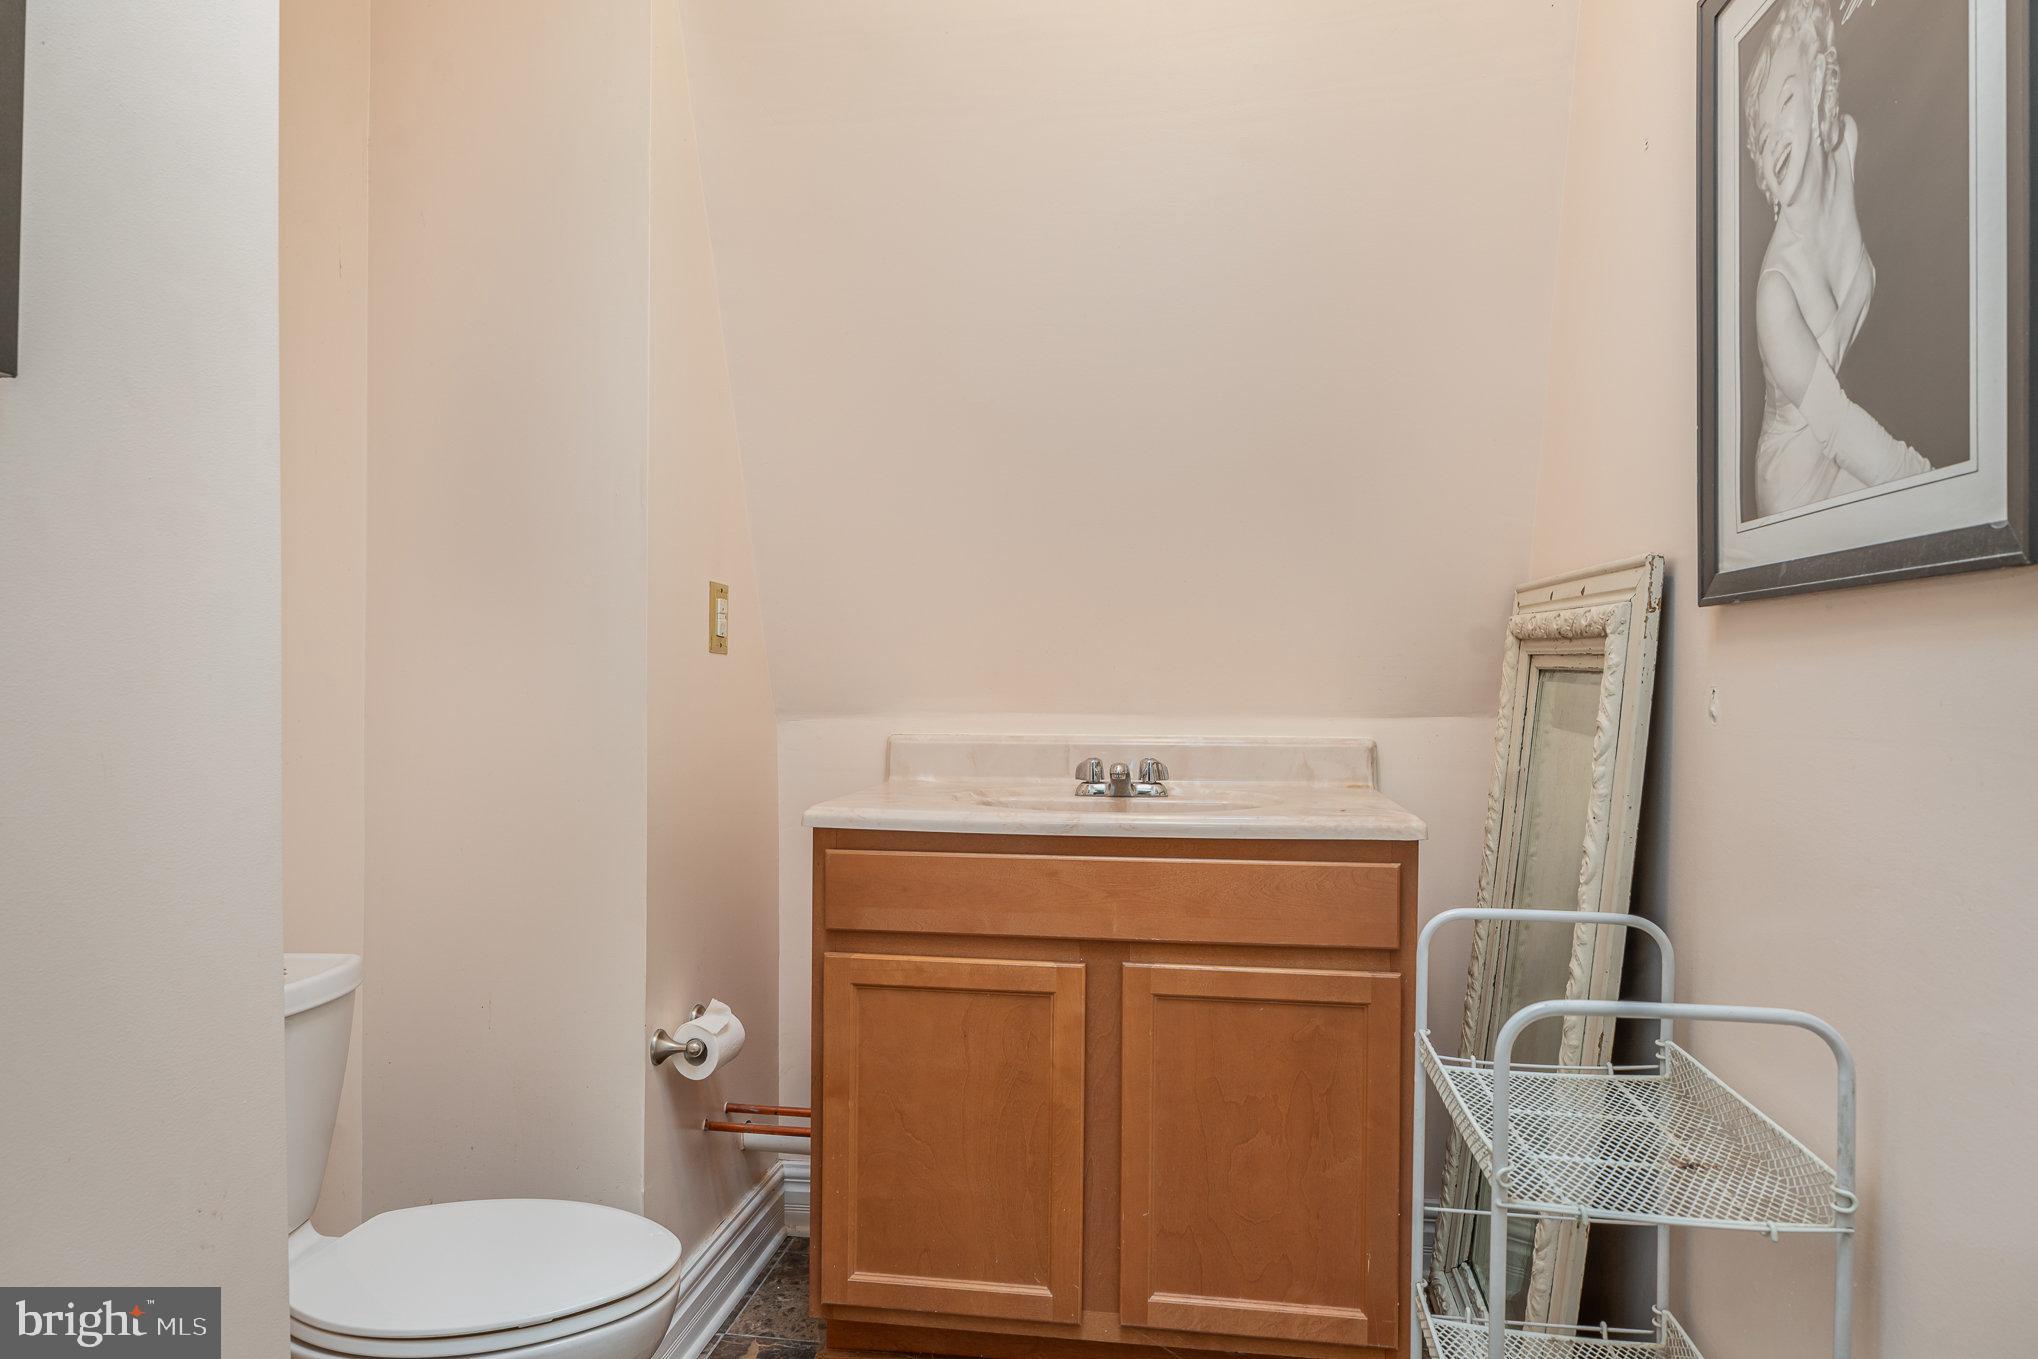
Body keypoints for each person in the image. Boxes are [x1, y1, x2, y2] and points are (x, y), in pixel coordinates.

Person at [1744, 0, 1929, 517]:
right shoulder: (1775, 292)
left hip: (1854, 447)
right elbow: (1837, 425)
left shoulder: (1851, 146)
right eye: (1761, 137)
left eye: (1785, 101)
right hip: (1795, 489)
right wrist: (1929, 483)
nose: (1774, 139)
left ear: (1819, 79)